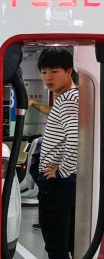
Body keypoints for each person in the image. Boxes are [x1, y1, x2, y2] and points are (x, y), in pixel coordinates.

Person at [35, 47, 78, 259]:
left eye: (54, 71)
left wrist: (62, 171)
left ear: (69, 72)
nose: (48, 77)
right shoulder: (70, 97)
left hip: (60, 186)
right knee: (69, 243)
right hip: (67, 185)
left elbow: (76, 139)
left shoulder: (68, 100)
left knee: (56, 245)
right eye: (44, 72)